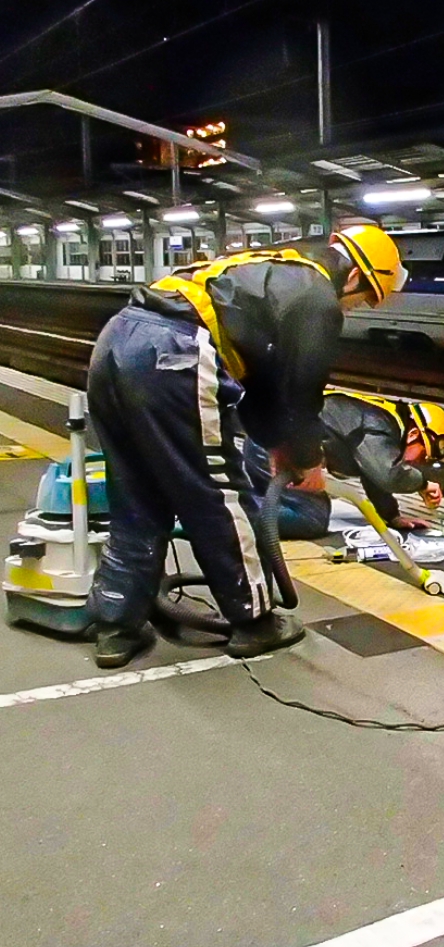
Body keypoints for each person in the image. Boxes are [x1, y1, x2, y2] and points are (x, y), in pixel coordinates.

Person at [85, 226, 408, 668]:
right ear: (354, 276)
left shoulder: (277, 268)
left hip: (116, 340)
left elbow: (264, 381)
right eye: (366, 298)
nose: (357, 309)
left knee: (134, 492)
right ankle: (253, 621)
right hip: (175, 351)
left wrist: (277, 443)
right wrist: (307, 457)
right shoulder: (317, 297)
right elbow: (301, 390)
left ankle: (116, 627)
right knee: (218, 493)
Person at [242, 392, 444, 538]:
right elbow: (387, 475)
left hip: (271, 442)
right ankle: (231, 516)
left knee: (313, 505)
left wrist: (392, 516)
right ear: (414, 434)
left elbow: (371, 473)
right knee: (312, 516)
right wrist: (422, 484)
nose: (417, 463)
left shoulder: (383, 422)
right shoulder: (380, 424)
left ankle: (242, 503)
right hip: (276, 450)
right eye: (422, 455)